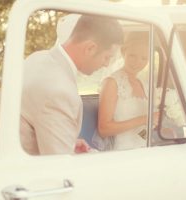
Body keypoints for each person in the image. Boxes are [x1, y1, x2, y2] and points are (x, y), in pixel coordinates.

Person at [20, 15, 124, 155]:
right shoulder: (59, 92)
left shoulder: (37, 58)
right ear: (90, 48)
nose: (106, 64)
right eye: (107, 57)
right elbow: (60, 164)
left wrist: (69, 143)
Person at [97, 31, 158, 150]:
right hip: (123, 151)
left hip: (145, 147)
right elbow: (104, 129)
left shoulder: (145, 84)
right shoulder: (112, 82)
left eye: (144, 58)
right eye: (132, 56)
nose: (137, 62)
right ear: (123, 52)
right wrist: (145, 119)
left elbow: (140, 131)